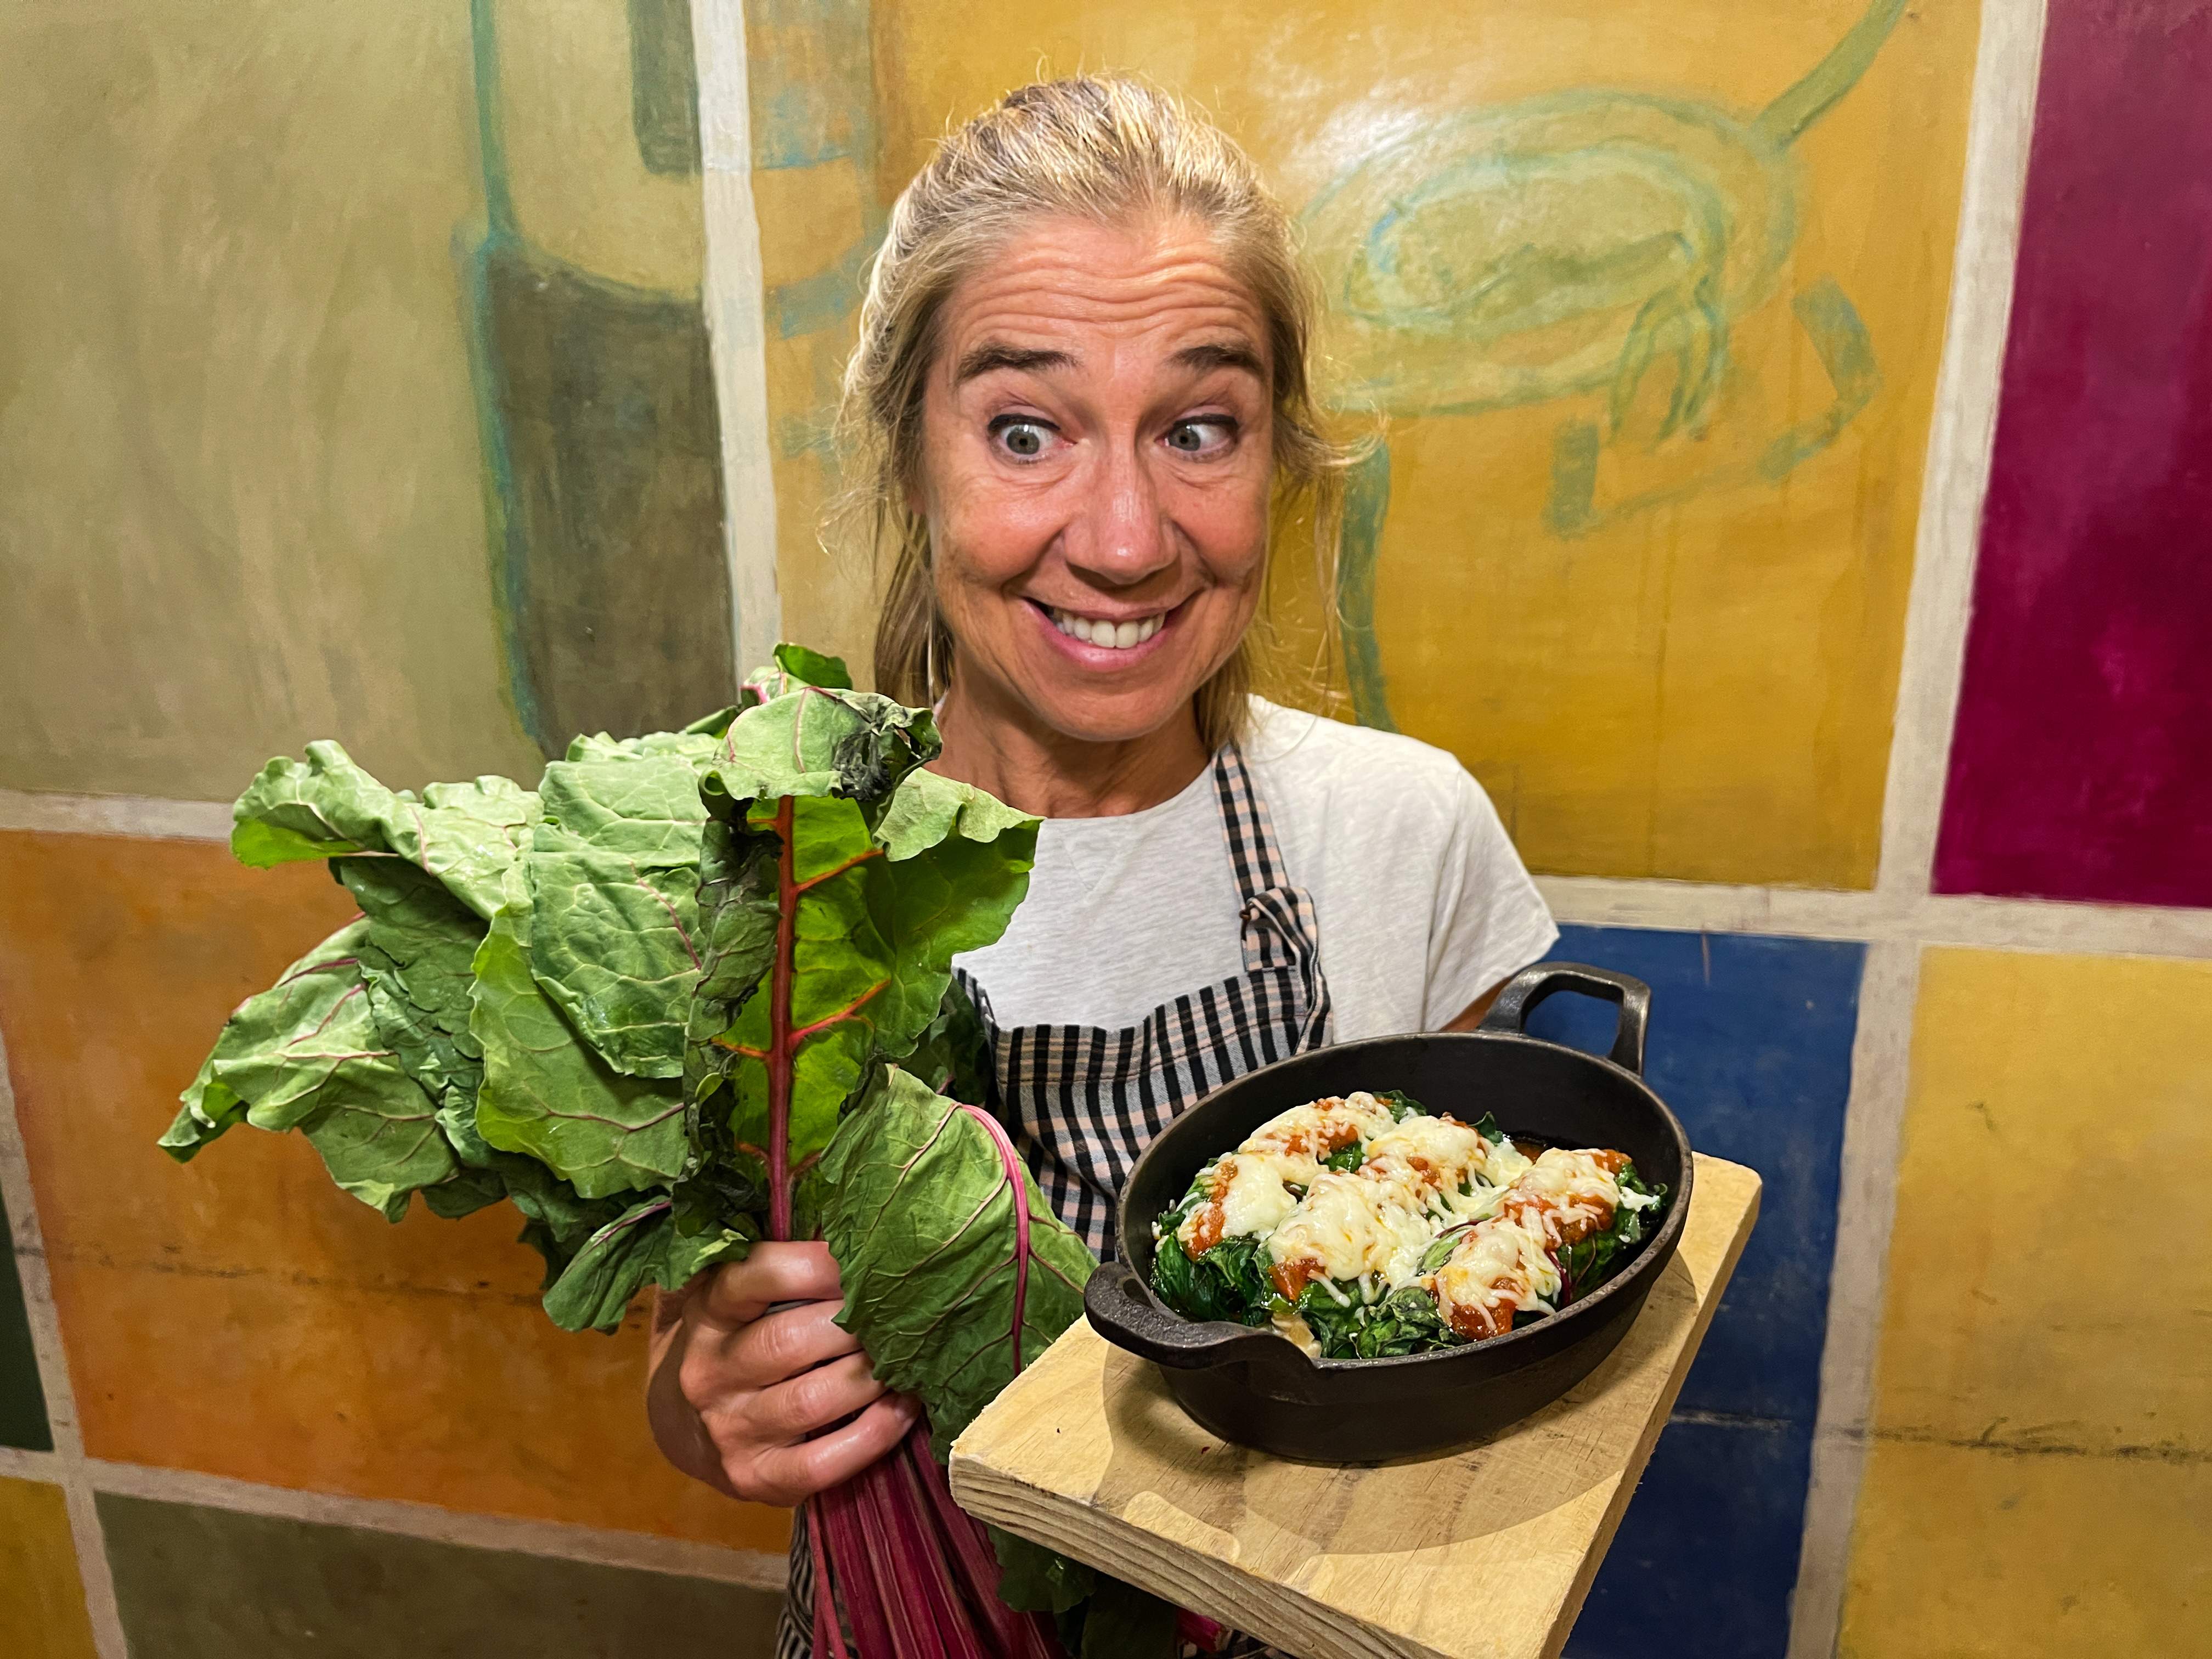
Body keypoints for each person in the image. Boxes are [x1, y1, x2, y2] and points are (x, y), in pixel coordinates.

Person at [645, 75, 1558, 1655]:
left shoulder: (1404, 833)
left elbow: (1467, 1329)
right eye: (1025, 430)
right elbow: (692, 1366)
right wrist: (707, 1399)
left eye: (1198, 429)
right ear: (910, 453)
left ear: (1277, 460)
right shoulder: (780, 884)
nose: (1127, 537)